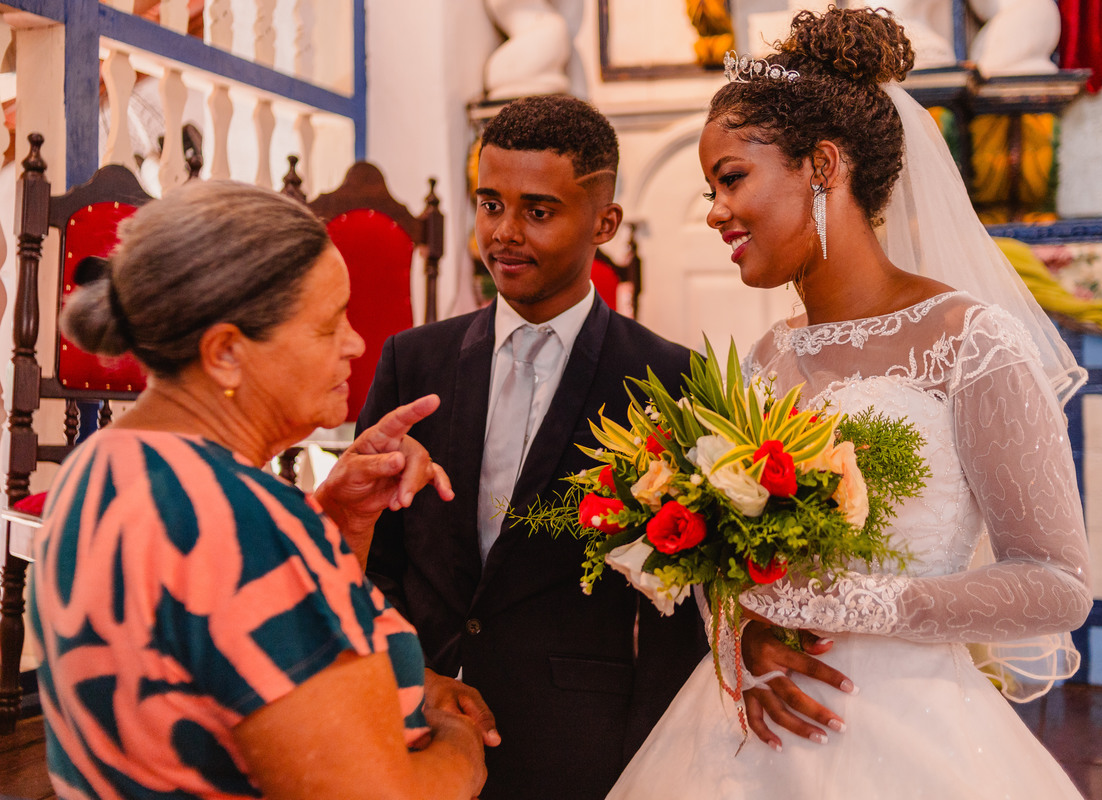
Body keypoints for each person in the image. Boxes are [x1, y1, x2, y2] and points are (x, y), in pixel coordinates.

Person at [607, 8, 1093, 798]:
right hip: (753, 724)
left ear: (823, 165)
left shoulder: (971, 341)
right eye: (711, 189)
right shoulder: (767, 358)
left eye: (732, 178)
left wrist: (853, 602)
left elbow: (1056, 582)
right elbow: (729, 570)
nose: (716, 210)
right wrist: (744, 639)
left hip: (914, 730)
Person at [30, 181, 488, 800]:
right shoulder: (239, 522)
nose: (356, 343)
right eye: (328, 326)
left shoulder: (101, 464)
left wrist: (339, 520)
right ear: (225, 352)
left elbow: (236, 643)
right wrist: (459, 749)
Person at [357, 94, 712, 800]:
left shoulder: (668, 379)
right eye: (490, 204)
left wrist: (650, 758)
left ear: (604, 223)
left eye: (539, 212)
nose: (504, 233)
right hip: (413, 724)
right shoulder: (412, 361)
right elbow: (375, 554)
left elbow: (677, 608)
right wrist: (410, 672)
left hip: (579, 743)